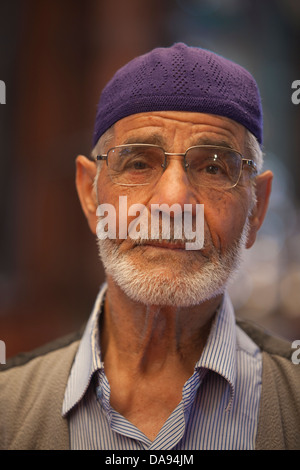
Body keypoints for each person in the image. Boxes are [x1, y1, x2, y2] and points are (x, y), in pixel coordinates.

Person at [1, 43, 299, 451]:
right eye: (139, 163)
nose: (174, 202)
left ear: (257, 208)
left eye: (213, 166)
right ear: (90, 194)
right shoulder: (7, 409)